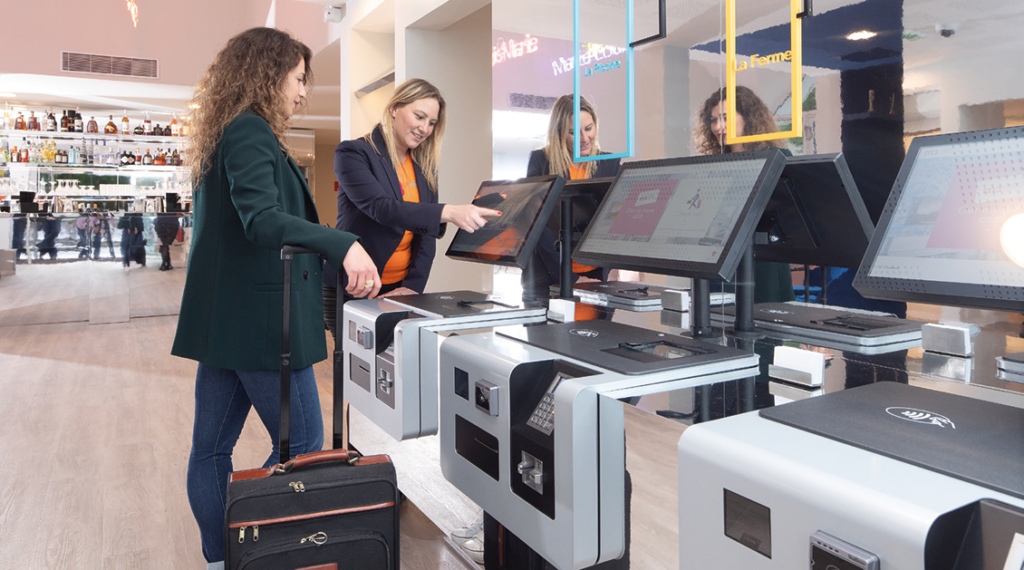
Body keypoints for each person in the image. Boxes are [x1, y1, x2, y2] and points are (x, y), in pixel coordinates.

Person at [169, 27, 381, 570]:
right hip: (262, 323)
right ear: (269, 73)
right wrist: (344, 242)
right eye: (300, 78)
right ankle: (253, 547)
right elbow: (261, 220)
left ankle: (223, 559)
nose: (304, 91)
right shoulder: (249, 131)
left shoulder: (232, 130)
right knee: (306, 443)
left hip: (230, 321)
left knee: (212, 449)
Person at [322, 78, 499, 335]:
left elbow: (426, 234)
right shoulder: (353, 153)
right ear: (394, 108)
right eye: (419, 116)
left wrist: (414, 286)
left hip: (399, 288)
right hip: (353, 285)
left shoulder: (424, 167)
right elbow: (381, 207)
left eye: (432, 123)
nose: (425, 128)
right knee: (355, 369)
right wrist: (447, 212)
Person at [695, 86, 796, 303]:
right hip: (718, 261)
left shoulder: (775, 157)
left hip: (762, 263)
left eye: (725, 118)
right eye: (713, 120)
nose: (718, 126)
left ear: (748, 118)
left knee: (763, 328)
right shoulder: (714, 164)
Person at [523, 94, 621, 301]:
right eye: (573, 133)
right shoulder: (541, 161)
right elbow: (536, 225)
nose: (584, 139)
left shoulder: (609, 165)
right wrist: (570, 278)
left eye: (588, 128)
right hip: (549, 278)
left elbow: (615, 221)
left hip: (596, 277)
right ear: (558, 133)